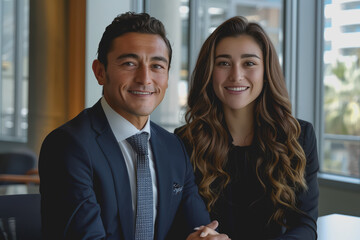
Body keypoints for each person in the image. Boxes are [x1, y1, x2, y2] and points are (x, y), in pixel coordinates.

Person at [39, 12, 229, 240]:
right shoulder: (68, 146)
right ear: (100, 72)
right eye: (129, 63)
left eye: (157, 66)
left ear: (168, 77)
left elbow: (197, 228)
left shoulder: (173, 147)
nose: (145, 78)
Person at [175, 16, 319, 240]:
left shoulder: (299, 137)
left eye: (249, 63)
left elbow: (305, 225)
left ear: (266, 72)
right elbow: (186, 223)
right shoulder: (185, 142)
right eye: (223, 63)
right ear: (209, 72)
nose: (236, 75)